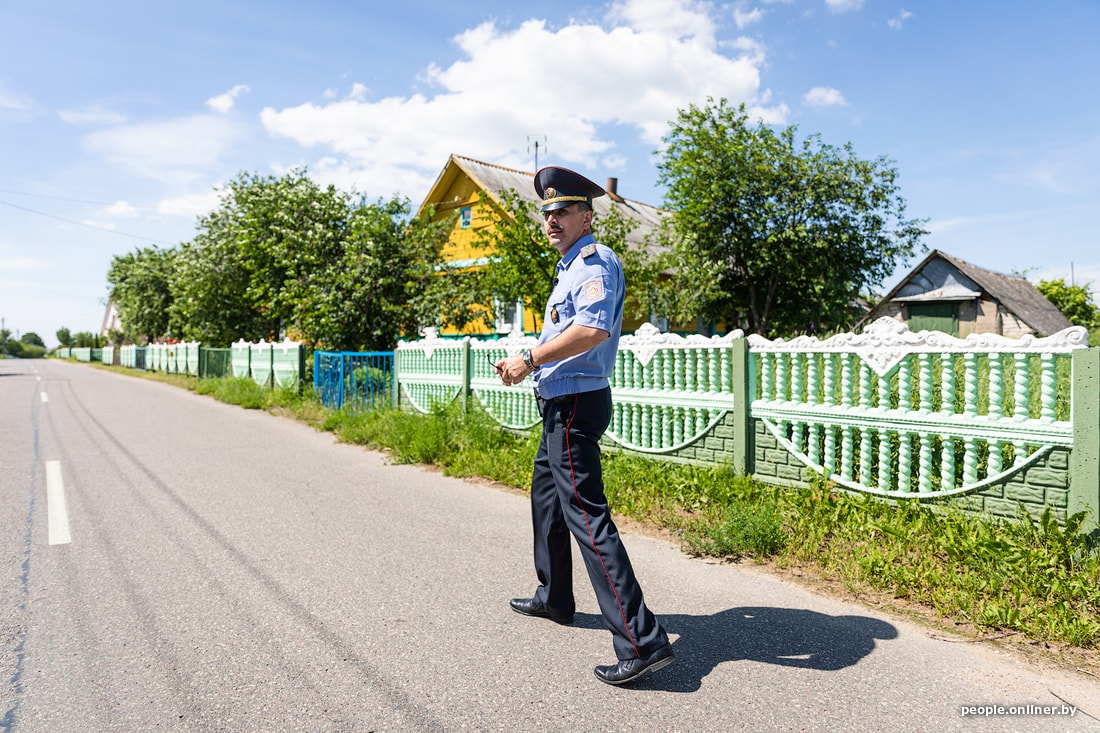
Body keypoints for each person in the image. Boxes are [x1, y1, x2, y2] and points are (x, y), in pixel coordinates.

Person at [493, 166, 675, 686]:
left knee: (588, 520)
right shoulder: (570, 267)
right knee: (546, 499)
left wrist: (528, 357)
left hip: (575, 404)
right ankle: (555, 597)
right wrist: (532, 364)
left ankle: (642, 641)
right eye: (547, 212)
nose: (551, 219)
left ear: (586, 216)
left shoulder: (595, 263)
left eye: (562, 211)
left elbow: (592, 330)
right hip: (560, 402)